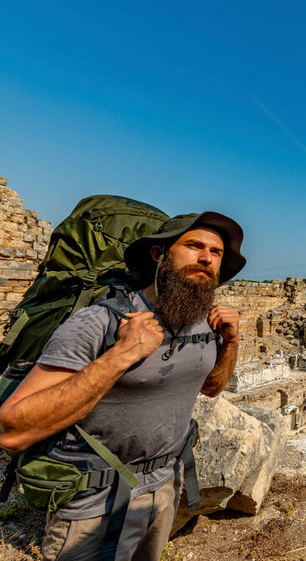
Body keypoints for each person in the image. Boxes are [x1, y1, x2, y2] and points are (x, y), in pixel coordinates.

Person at [0, 211, 246, 560]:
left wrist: (231, 343)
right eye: (193, 246)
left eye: (216, 252)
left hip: (164, 491)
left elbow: (210, 387)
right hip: (92, 504)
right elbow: (12, 430)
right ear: (159, 255)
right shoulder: (100, 321)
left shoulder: (205, 324)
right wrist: (121, 355)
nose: (206, 257)